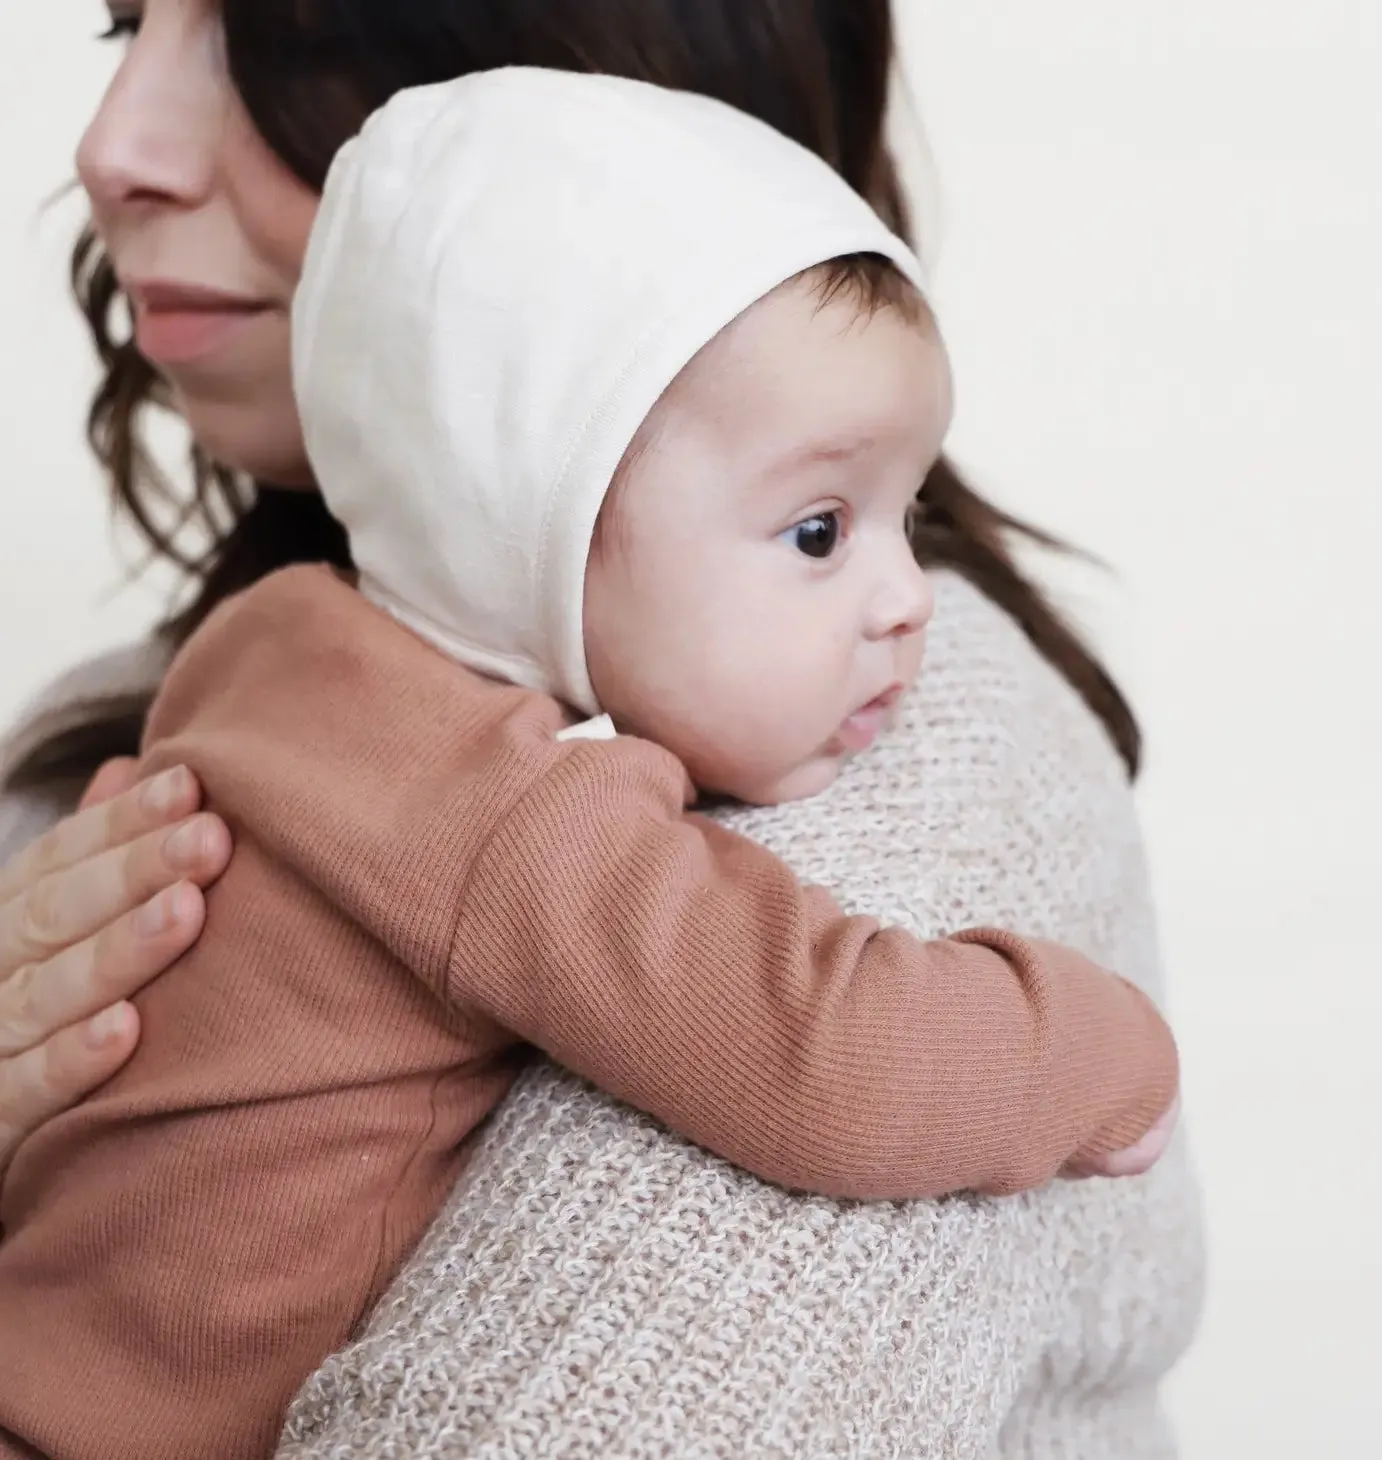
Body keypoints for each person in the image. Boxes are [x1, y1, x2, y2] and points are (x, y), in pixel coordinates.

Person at [0, 2, 1204, 1457]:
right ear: (543, 505)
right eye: (823, 529)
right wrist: (1087, 1045)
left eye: (264, 39)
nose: (907, 600)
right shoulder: (513, 807)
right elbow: (820, 1049)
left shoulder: (261, 655)